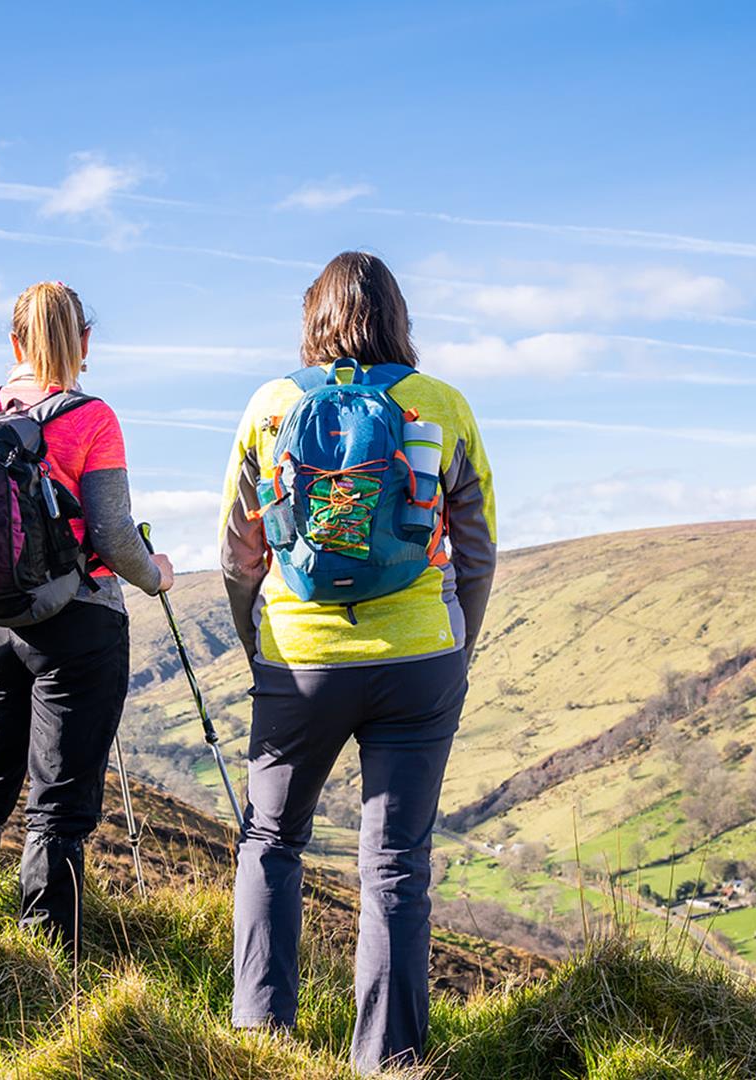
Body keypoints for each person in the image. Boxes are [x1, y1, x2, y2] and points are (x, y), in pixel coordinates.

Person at [219, 252, 496, 1071]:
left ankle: (261, 1036)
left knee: (271, 838)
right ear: (397, 315)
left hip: (298, 660)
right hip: (420, 659)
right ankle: (390, 1059)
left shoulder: (271, 406)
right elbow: (476, 552)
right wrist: (456, 648)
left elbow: (238, 553)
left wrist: (260, 647)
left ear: (315, 316)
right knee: (397, 862)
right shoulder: (443, 405)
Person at [0, 280, 175, 949]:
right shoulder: (92, 418)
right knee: (57, 809)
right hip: (77, 627)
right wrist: (158, 575)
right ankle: (43, 963)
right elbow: (115, 536)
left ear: (14, 343)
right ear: (85, 343)